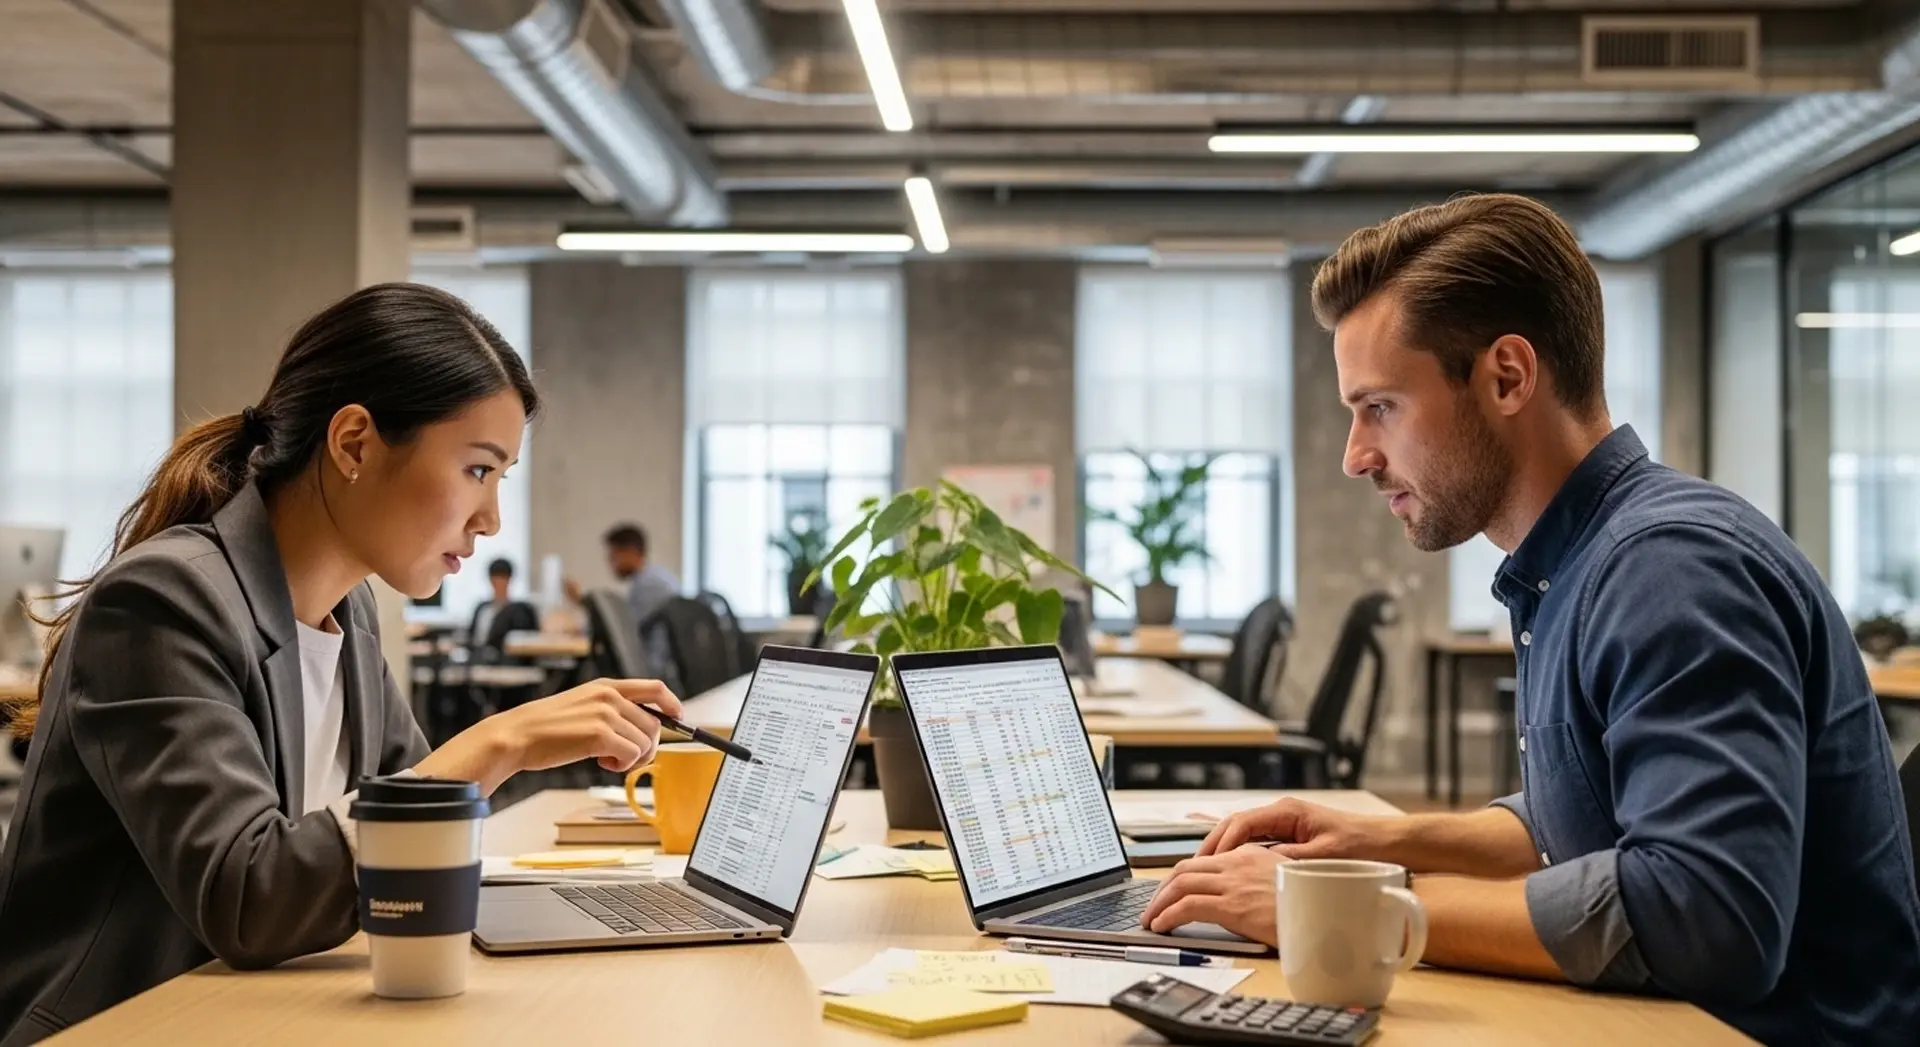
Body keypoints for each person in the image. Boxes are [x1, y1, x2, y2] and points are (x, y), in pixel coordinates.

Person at [1138, 195, 1920, 1044]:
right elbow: (1588, 814)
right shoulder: (1577, 564)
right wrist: (1376, 840)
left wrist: (1350, 906)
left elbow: (1710, 912)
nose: (1356, 454)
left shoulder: (1668, 568)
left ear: (1508, 375)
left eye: (1380, 407)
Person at [0, 284, 683, 1045]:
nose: (490, 519)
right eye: (478, 471)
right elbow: (249, 898)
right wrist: (501, 743)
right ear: (355, 442)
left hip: (262, 1015)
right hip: (124, 1025)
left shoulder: (347, 611)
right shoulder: (164, 599)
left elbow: (412, 847)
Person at [603, 523, 679, 627]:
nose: (611, 562)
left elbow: (625, 628)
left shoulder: (648, 584)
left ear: (631, 552)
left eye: (614, 555)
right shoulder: (655, 574)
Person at [468, 558, 539, 662]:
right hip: (476, 658)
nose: (499, 583)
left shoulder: (519, 611)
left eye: (502, 578)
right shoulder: (481, 608)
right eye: (495, 578)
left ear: (509, 579)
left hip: (502, 660)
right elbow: (470, 636)